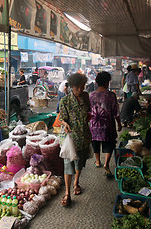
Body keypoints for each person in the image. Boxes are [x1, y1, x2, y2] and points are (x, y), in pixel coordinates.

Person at [59, 73, 92, 206]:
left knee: (79, 164)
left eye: (83, 87)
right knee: (68, 166)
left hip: (83, 137)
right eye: (78, 87)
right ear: (72, 87)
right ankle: (67, 193)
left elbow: (89, 112)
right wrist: (65, 124)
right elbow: (62, 118)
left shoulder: (86, 97)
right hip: (70, 139)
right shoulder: (65, 101)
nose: (81, 89)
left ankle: (76, 183)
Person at [89, 72, 122, 177]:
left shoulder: (91, 95)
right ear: (108, 82)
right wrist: (119, 124)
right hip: (107, 125)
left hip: (94, 124)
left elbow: (88, 111)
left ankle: (98, 161)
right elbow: (116, 112)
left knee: (95, 143)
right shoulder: (111, 95)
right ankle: (106, 164)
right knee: (109, 144)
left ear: (96, 82)